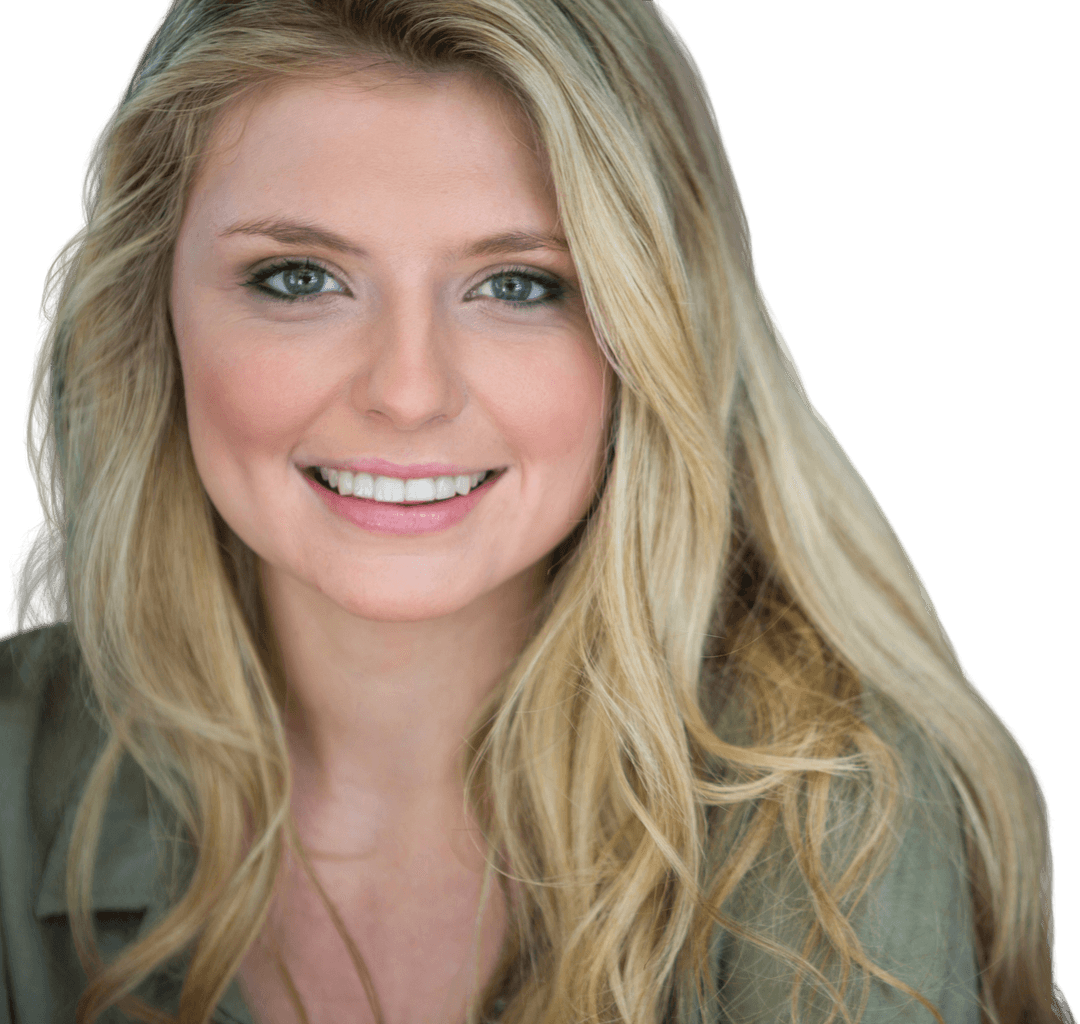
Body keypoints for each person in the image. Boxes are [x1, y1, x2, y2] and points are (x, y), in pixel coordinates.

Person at [0, 1, 1073, 1022]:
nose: (409, 391)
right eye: (298, 278)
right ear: (151, 310)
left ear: (651, 334)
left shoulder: (823, 806)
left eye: (517, 285)